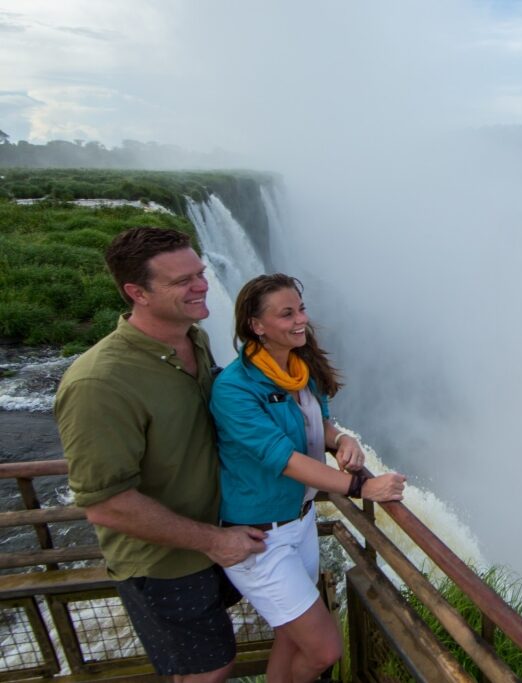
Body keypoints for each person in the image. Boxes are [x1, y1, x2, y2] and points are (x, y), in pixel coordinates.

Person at [54, 227, 268, 683]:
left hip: (217, 535)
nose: (202, 285)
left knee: (211, 660)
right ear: (137, 292)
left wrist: (323, 429)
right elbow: (106, 504)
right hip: (166, 563)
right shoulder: (99, 384)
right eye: (182, 281)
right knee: (207, 671)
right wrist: (213, 541)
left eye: (201, 272)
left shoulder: (194, 339)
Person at [210, 273, 406, 683]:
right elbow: (285, 460)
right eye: (287, 313)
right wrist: (362, 487)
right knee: (323, 649)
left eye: (301, 308)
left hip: (299, 523)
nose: (301, 319)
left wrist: (342, 438)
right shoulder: (235, 388)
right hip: (259, 536)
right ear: (255, 325)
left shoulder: (300, 370)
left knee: (290, 637)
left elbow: (320, 425)